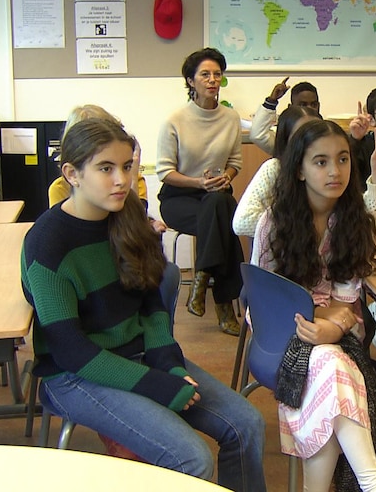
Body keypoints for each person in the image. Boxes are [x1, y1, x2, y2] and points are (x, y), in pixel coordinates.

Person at [21, 118, 266, 492]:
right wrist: (154, 384)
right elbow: (70, 351)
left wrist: (166, 362)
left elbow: (151, 301)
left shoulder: (128, 216)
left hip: (136, 356)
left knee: (247, 424)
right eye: (106, 168)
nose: (121, 179)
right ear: (72, 173)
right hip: (75, 376)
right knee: (191, 458)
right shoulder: (47, 243)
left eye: (126, 166)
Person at [252, 119, 376, 492]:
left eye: (343, 159)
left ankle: (366, 483)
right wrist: (327, 317)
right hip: (280, 339)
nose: (335, 171)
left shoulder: (350, 221)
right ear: (298, 169)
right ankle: (373, 482)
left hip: (338, 338)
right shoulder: (274, 223)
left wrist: (335, 324)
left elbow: (345, 304)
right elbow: (261, 301)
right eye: (321, 162)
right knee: (330, 367)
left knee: (330, 369)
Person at [157, 47, 244, 336]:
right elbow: (164, 171)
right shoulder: (175, 120)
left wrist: (225, 177)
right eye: (205, 74)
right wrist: (198, 183)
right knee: (221, 216)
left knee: (219, 204)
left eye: (217, 74)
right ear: (191, 81)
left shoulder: (230, 118)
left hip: (215, 194)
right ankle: (224, 306)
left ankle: (202, 277)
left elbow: (234, 163)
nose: (212, 80)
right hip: (179, 197)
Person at [233, 105, 376, 238]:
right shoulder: (275, 168)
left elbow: (367, 220)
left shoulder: (335, 172)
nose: (334, 171)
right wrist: (306, 225)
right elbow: (242, 222)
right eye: (302, 136)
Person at [249, 78, 321, 155]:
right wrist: (271, 102)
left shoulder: (326, 132)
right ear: (291, 107)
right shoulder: (284, 138)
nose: (309, 108)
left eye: (314, 104)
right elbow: (257, 136)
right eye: (303, 105)